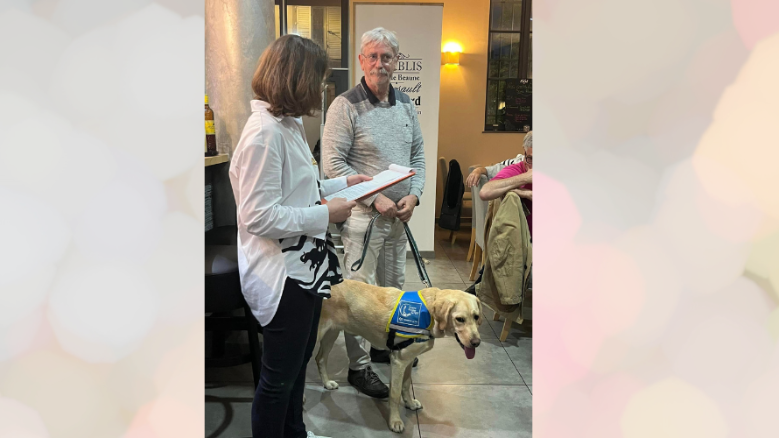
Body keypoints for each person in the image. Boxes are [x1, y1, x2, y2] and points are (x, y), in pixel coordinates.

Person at [229, 35, 372, 438]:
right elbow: (259, 216)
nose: (322, 90)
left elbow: (297, 188)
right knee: (278, 382)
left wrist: (344, 183)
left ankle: (295, 432)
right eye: (318, 80)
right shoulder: (264, 134)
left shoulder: (286, 125)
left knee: (295, 371)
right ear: (295, 79)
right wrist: (326, 214)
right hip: (282, 276)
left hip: (304, 271)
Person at [322, 27, 426, 399]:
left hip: (398, 218)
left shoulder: (406, 105)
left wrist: (413, 196)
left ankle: (386, 346)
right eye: (373, 56)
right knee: (360, 296)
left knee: (394, 289)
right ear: (362, 60)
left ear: (397, 62)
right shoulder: (344, 105)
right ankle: (358, 368)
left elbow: (418, 157)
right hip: (363, 219)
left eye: (387, 57)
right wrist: (374, 199)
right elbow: (332, 164)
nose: (380, 64)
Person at [466, 131, 533, 295]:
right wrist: (525, 180)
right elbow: (486, 191)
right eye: (530, 159)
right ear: (524, 154)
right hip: (524, 247)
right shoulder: (517, 168)